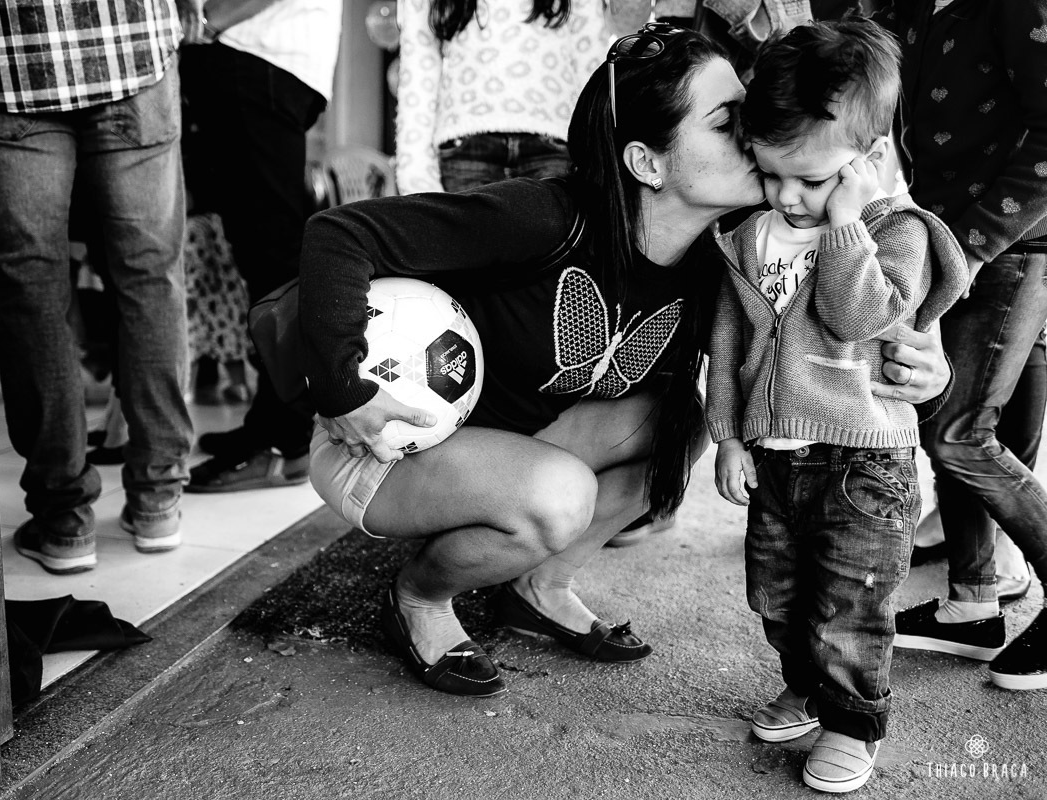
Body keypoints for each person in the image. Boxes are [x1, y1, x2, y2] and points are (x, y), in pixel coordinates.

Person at [291, 21, 952, 701]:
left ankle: (538, 585)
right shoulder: (546, 217)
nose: (753, 135)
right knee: (558, 498)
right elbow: (340, 233)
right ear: (648, 163)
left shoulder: (722, 251)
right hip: (382, 442)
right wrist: (345, 392)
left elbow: (837, 309)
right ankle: (420, 599)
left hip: (505, 442)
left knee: (676, 423)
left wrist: (926, 363)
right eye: (728, 121)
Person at [706, 20, 966, 793]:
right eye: (772, 172)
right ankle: (810, 687)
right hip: (778, 458)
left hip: (866, 463)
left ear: (869, 159)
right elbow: (729, 342)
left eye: (813, 180)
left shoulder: (897, 234)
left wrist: (845, 221)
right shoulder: (752, 236)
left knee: (850, 605)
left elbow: (861, 319)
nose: (789, 196)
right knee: (777, 595)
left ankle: (853, 720)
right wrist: (727, 433)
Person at [0, 0, 194, 573]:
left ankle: (63, 518)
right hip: (131, 48)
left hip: (11, 58)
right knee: (151, 280)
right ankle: (157, 501)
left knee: (32, 290)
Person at [876, 0, 1047, 693]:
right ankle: (972, 603)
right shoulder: (910, 6)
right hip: (947, 236)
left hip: (1007, 242)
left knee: (958, 435)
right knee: (952, 412)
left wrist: (970, 249)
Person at [179, 0, 343, 494]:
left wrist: (209, 22)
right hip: (265, 61)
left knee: (273, 259)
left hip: (259, 59)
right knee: (262, 256)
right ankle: (273, 426)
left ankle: (283, 440)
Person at [394, 0, 608, 194]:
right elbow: (418, 73)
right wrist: (417, 180)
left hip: (555, 146)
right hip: (465, 150)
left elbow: (591, 66)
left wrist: (598, 162)